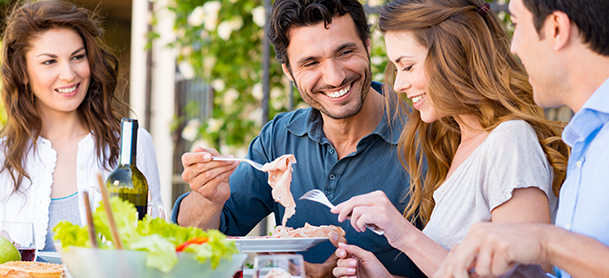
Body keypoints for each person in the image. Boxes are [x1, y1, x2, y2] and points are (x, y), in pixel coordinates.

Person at [172, 0, 426, 276]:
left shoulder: (429, 136)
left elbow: (460, 265)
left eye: (345, 51)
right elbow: (189, 243)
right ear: (289, 72)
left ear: (367, 46)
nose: (334, 76)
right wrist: (207, 199)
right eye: (310, 63)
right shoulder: (279, 139)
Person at [329, 0, 570, 277]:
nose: (398, 85)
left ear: (453, 55)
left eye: (407, 67)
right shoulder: (457, 143)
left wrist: (406, 236)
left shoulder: (510, 142)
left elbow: (527, 274)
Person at [433, 0, 609, 277]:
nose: (512, 47)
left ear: (556, 29)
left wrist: (544, 242)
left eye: (516, 24)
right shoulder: (587, 140)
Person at [0, 0, 162, 252]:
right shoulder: (3, 158)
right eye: (49, 62)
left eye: (77, 57)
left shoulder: (131, 144)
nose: (69, 74)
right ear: (22, 72)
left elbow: (155, 240)